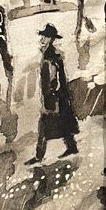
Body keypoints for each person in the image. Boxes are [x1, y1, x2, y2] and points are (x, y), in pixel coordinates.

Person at [27, 23, 79, 164]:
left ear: (51, 39)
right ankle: (72, 147)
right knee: (63, 122)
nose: (42, 39)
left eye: (45, 37)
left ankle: (39, 156)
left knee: (44, 127)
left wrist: (51, 97)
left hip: (54, 98)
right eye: (42, 37)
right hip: (59, 97)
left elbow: (52, 78)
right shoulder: (52, 54)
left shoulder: (50, 57)